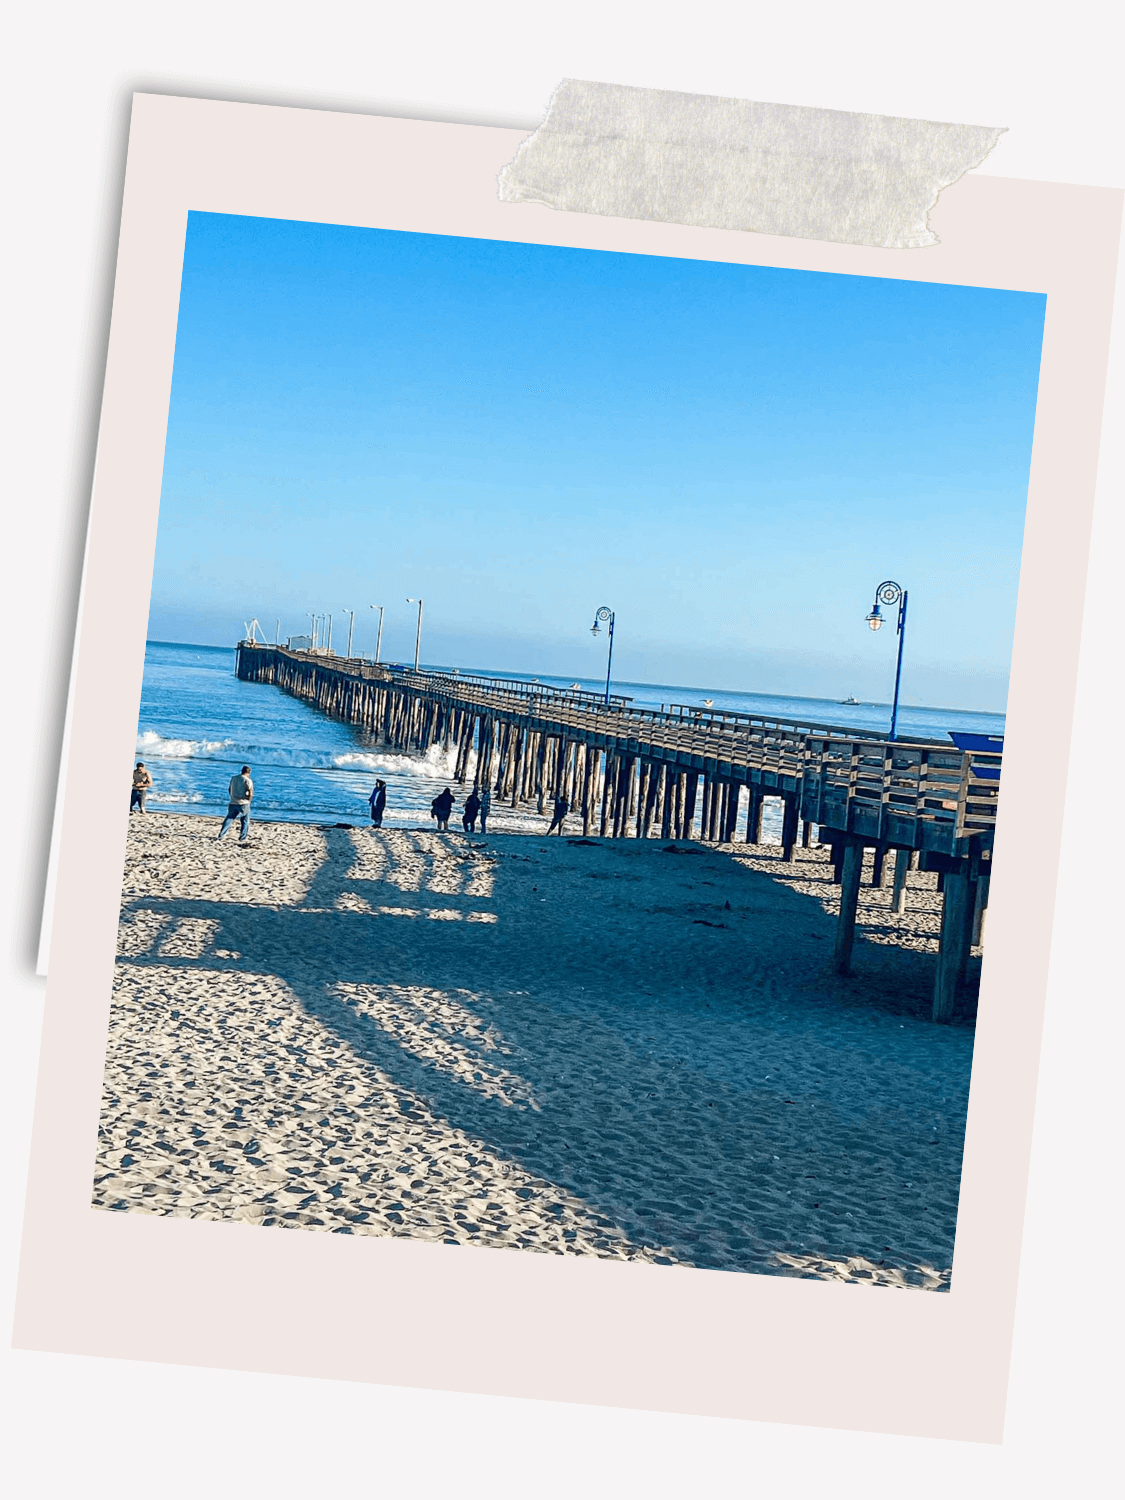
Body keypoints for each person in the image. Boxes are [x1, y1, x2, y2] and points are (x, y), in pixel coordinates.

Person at [218, 764, 254, 843]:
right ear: (249, 773)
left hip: (233, 801)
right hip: (243, 802)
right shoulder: (248, 780)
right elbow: (250, 792)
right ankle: (242, 838)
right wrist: (249, 800)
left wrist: (232, 796)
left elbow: (229, 788)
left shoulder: (234, 778)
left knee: (229, 818)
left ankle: (221, 835)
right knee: (245, 820)